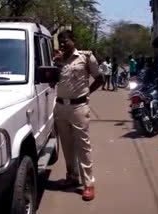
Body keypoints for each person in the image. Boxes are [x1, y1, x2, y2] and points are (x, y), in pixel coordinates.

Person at [53, 30, 104, 201]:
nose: (62, 45)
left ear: (74, 41)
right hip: (60, 106)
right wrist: (57, 65)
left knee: (83, 147)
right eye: (60, 42)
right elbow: (51, 82)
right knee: (67, 146)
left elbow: (100, 78)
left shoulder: (86, 57)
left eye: (65, 41)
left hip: (79, 108)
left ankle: (88, 184)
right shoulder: (57, 61)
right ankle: (72, 177)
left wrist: (86, 93)